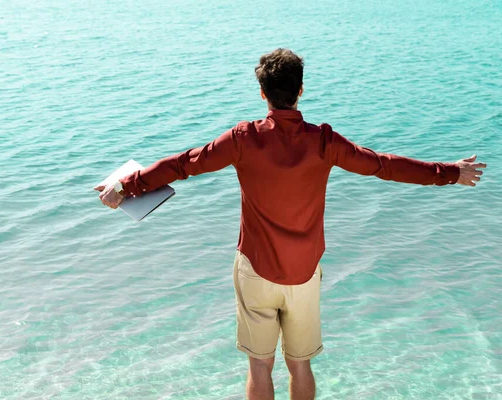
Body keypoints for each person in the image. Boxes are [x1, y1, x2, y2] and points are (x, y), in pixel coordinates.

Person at [94, 48, 486, 400]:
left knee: (259, 366)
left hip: (256, 270)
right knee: (300, 365)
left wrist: (127, 185)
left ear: (263, 94)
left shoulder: (242, 138)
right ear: (300, 92)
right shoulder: (324, 142)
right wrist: (450, 172)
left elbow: (183, 164)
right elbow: (383, 166)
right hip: (304, 274)